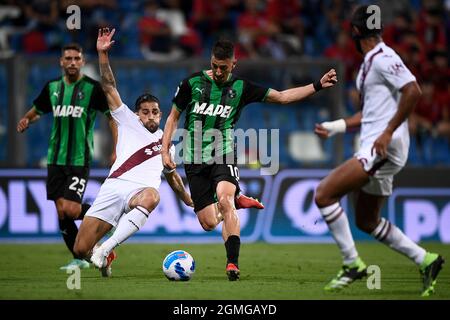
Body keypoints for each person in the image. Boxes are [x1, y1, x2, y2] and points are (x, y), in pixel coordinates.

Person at [161, 39, 337, 280]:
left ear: (234, 63)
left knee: (224, 200)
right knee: (208, 222)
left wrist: (317, 85)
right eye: (215, 66)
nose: (219, 71)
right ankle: (237, 200)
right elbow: (172, 118)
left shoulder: (242, 88)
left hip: (223, 153)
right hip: (193, 159)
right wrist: (165, 150)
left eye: (224, 67)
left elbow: (283, 97)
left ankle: (232, 263)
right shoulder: (191, 83)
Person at [314, 5, 444, 296]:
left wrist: (387, 132)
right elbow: (369, 114)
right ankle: (427, 260)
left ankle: (352, 263)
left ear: (355, 32)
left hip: (381, 146)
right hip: (378, 143)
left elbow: (413, 91)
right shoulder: (373, 63)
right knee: (366, 220)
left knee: (323, 194)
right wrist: (335, 126)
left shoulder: (383, 59)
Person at [72, 27, 194, 277]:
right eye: (146, 111)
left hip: (139, 192)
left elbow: (172, 176)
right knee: (80, 249)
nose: (151, 115)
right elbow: (108, 86)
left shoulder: (167, 141)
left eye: (155, 112)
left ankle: (106, 248)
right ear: (138, 114)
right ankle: (105, 256)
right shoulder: (126, 119)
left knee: (153, 196)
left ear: (161, 115)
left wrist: (188, 199)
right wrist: (103, 54)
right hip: (113, 187)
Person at [17, 42, 117, 271]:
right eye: (68, 59)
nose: (72, 62)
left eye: (76, 58)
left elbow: (111, 118)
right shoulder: (52, 87)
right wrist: (26, 120)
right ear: (61, 62)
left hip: (79, 159)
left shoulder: (92, 89)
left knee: (71, 210)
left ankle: (102, 219)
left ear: (82, 62)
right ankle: (80, 258)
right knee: (61, 210)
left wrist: (115, 149)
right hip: (55, 158)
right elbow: (36, 111)